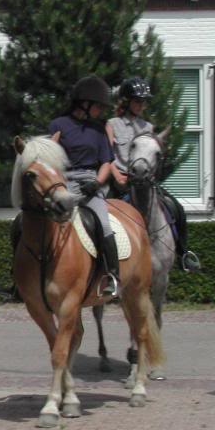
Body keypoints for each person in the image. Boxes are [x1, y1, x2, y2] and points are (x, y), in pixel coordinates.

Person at [106, 76, 201, 272]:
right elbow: (106, 156)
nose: (141, 105)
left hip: (145, 182)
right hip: (120, 182)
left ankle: (184, 254)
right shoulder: (112, 124)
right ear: (126, 101)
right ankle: (105, 264)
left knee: (176, 208)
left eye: (143, 101)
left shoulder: (148, 128)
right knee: (102, 218)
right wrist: (116, 176)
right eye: (137, 101)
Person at [48, 76, 119, 298]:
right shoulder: (60, 124)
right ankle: (22, 276)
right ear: (84, 104)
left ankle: (112, 275)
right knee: (41, 221)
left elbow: (107, 163)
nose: (100, 110)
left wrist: (97, 182)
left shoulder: (98, 130)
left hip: (90, 180)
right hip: (64, 181)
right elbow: (49, 153)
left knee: (104, 225)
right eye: (97, 105)